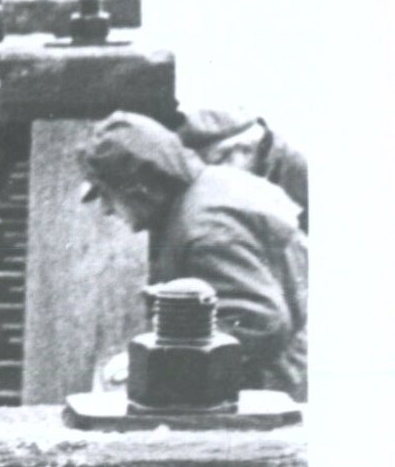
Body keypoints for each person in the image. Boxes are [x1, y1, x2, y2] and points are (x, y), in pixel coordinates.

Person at [79, 112, 308, 397]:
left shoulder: (205, 228)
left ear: (139, 188)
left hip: (278, 389)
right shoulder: (213, 187)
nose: (107, 209)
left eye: (107, 194)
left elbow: (260, 323)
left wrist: (162, 361)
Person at [173, 105, 309, 227]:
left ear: (245, 150)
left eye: (216, 162)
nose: (210, 177)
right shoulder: (257, 168)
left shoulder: (303, 172)